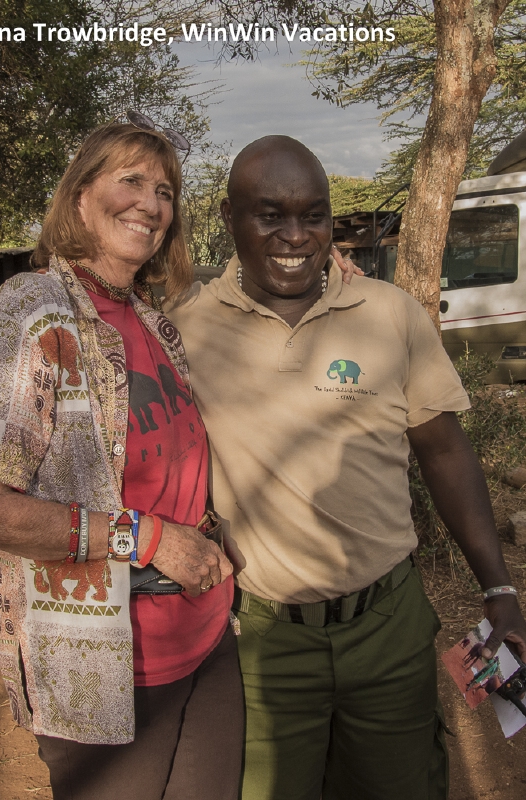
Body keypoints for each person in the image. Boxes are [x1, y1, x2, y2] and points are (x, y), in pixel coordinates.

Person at [166, 135, 526, 800]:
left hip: (388, 627)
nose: (295, 236)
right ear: (228, 217)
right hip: (261, 641)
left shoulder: (389, 314)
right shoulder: (184, 326)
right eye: (270, 215)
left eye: (314, 216)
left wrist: (499, 588)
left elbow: (444, 450)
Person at [0, 121, 243, 800]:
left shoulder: (153, 320)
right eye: (130, 180)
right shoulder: (32, 314)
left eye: (164, 191)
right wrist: (150, 538)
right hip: (107, 664)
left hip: (205, 637)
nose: (150, 204)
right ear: (79, 196)